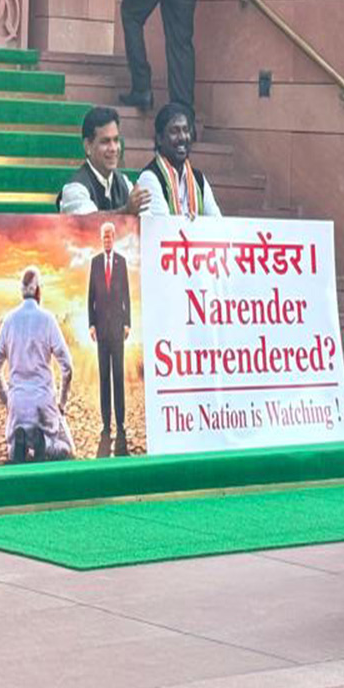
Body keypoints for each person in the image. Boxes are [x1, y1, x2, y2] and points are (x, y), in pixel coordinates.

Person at [0, 267, 75, 463]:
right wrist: (61, 403)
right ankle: (44, 441)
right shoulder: (47, 319)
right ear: (38, 291)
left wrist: (7, 399)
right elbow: (67, 367)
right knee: (68, 449)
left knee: (14, 448)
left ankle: (18, 447)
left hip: (18, 405)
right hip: (43, 405)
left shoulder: (9, 321)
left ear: (22, 291)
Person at [87, 222, 133, 456]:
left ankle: (121, 423)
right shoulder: (95, 263)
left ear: (114, 238)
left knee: (118, 377)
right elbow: (90, 297)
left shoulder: (121, 262)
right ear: (101, 238)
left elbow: (126, 294)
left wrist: (128, 323)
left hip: (117, 330)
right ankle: (106, 425)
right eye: (103, 236)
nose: (106, 239)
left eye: (109, 236)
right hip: (101, 332)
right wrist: (91, 324)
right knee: (104, 378)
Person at [58, 106, 151, 214]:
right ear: (88, 146)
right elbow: (90, 223)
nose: (113, 149)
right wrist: (126, 211)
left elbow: (146, 218)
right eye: (105, 142)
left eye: (116, 140)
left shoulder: (124, 183)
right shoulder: (74, 189)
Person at [136, 102, 221, 218]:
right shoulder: (150, 178)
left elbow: (217, 222)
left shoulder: (199, 179)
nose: (182, 137)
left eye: (186, 130)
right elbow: (164, 226)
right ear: (160, 139)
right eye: (174, 131)